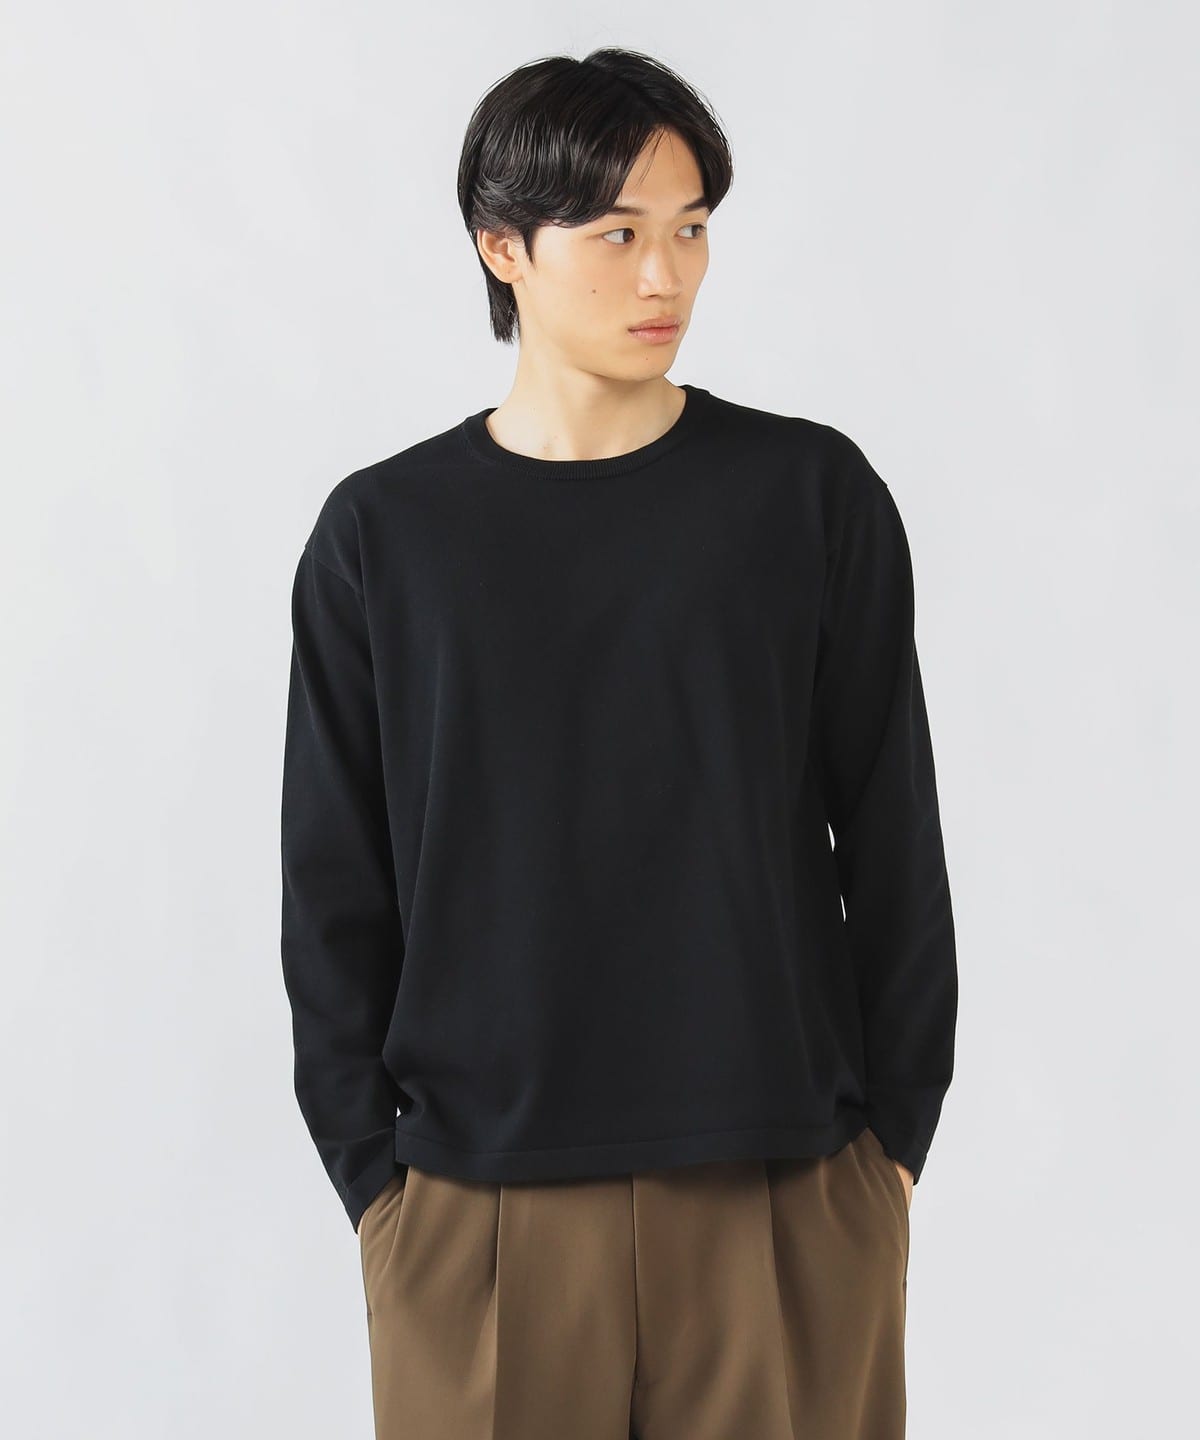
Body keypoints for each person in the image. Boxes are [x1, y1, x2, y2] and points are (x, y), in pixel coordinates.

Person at [280, 45, 957, 1440]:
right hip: (478, 1211)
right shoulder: (385, 537)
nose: (668, 277)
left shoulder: (808, 498)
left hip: (785, 1187)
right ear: (503, 247)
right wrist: (380, 1192)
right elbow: (334, 887)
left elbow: (893, 834)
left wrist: (890, 1154)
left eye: (691, 228)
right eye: (618, 234)